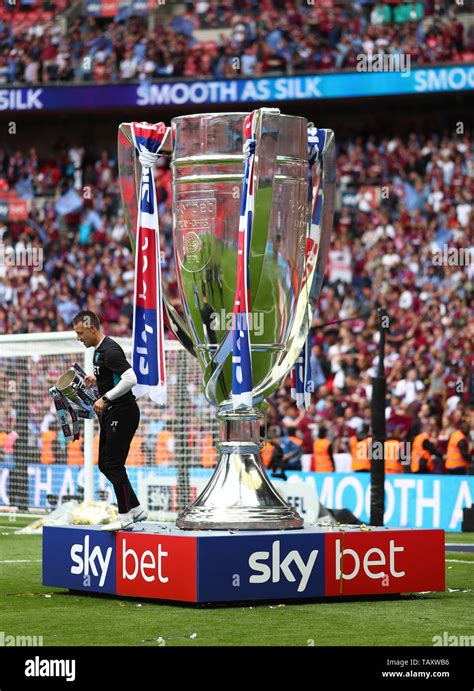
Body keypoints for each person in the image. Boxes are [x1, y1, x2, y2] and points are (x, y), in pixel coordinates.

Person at [72, 310, 147, 530]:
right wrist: (97, 379)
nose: (78, 338)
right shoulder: (99, 351)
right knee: (106, 464)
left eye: (80, 333)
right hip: (114, 412)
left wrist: (105, 397)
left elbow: (131, 378)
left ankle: (125, 517)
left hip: (122, 412)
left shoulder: (110, 350)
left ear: (92, 328)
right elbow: (113, 375)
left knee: (112, 464)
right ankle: (135, 508)